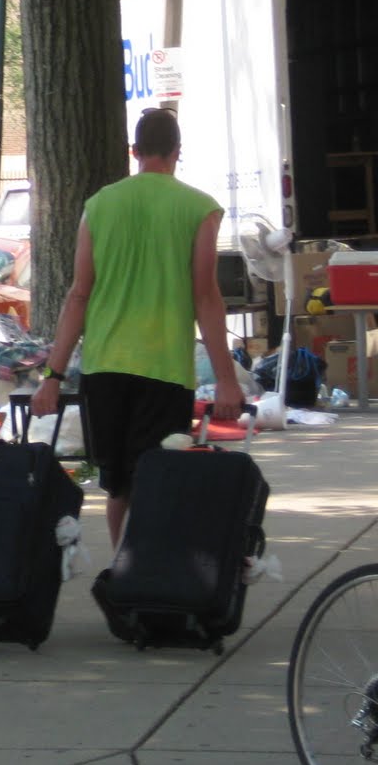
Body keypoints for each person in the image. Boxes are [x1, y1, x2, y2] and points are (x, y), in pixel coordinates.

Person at [30, 108, 242, 547]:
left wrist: (52, 377)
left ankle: (122, 568)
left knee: (119, 484)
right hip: (164, 368)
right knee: (158, 474)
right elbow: (206, 297)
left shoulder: (98, 206)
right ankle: (148, 569)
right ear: (177, 152)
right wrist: (225, 379)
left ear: (134, 152)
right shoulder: (200, 209)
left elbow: (78, 295)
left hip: (104, 367)